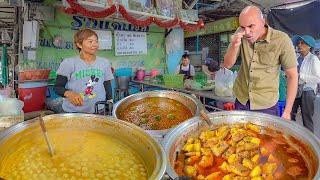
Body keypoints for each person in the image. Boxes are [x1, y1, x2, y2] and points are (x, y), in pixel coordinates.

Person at [223, 6, 298, 119]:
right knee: (239, 134)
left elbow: (292, 76)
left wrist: (287, 111)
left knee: (264, 136)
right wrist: (234, 45)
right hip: (242, 100)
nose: (247, 32)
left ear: (263, 21)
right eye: (243, 27)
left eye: (251, 26)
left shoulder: (281, 40)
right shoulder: (240, 33)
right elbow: (227, 64)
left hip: (266, 105)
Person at [54, 28, 114, 113]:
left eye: (96, 41)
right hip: (74, 111)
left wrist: (110, 101)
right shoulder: (68, 63)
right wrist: (69, 93)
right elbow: (57, 87)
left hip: (99, 110)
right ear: (79, 44)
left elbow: (107, 84)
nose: (95, 44)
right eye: (90, 41)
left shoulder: (105, 62)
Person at [291, 35, 320, 132]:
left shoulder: (313, 59)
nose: (299, 45)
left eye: (302, 43)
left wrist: (301, 76)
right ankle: (293, 135)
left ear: (309, 46)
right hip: (296, 89)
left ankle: (309, 140)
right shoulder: (296, 58)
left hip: (308, 91)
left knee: (306, 118)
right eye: (298, 43)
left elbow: (318, 78)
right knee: (291, 114)